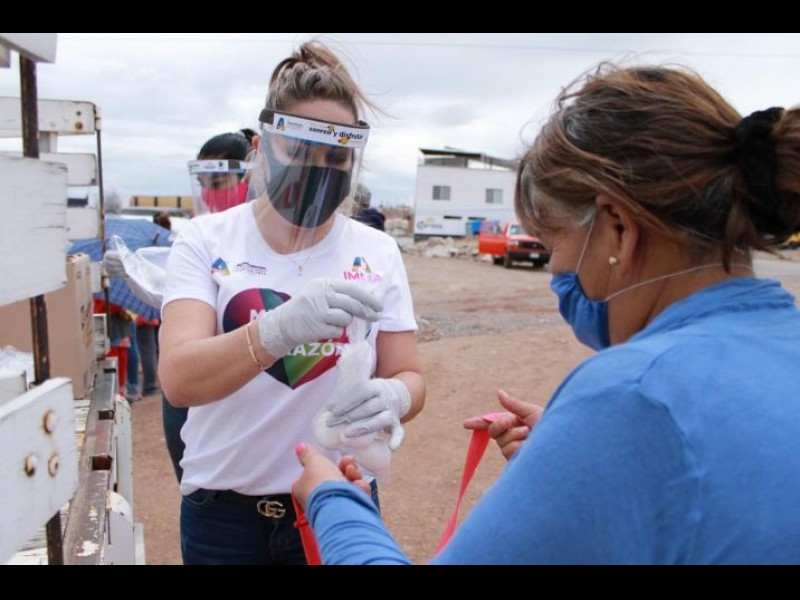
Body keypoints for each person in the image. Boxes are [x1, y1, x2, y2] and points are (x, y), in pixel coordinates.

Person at [294, 62, 800, 565]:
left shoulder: (633, 397)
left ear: (618, 229)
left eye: (553, 242)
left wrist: (334, 504)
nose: (555, 269)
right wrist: (576, 454)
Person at [158, 40, 426, 566]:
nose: (317, 169)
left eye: (336, 156)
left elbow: (409, 374)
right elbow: (179, 379)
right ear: (262, 148)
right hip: (224, 516)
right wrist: (276, 331)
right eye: (299, 150)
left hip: (337, 500)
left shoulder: (376, 250)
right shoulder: (206, 240)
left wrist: (393, 397)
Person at [104, 128, 258, 483]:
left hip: (242, 378)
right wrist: (134, 273)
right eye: (202, 182)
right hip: (191, 374)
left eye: (217, 182)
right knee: (193, 478)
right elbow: (175, 295)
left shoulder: (266, 238)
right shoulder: (194, 236)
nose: (208, 192)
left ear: (247, 177)